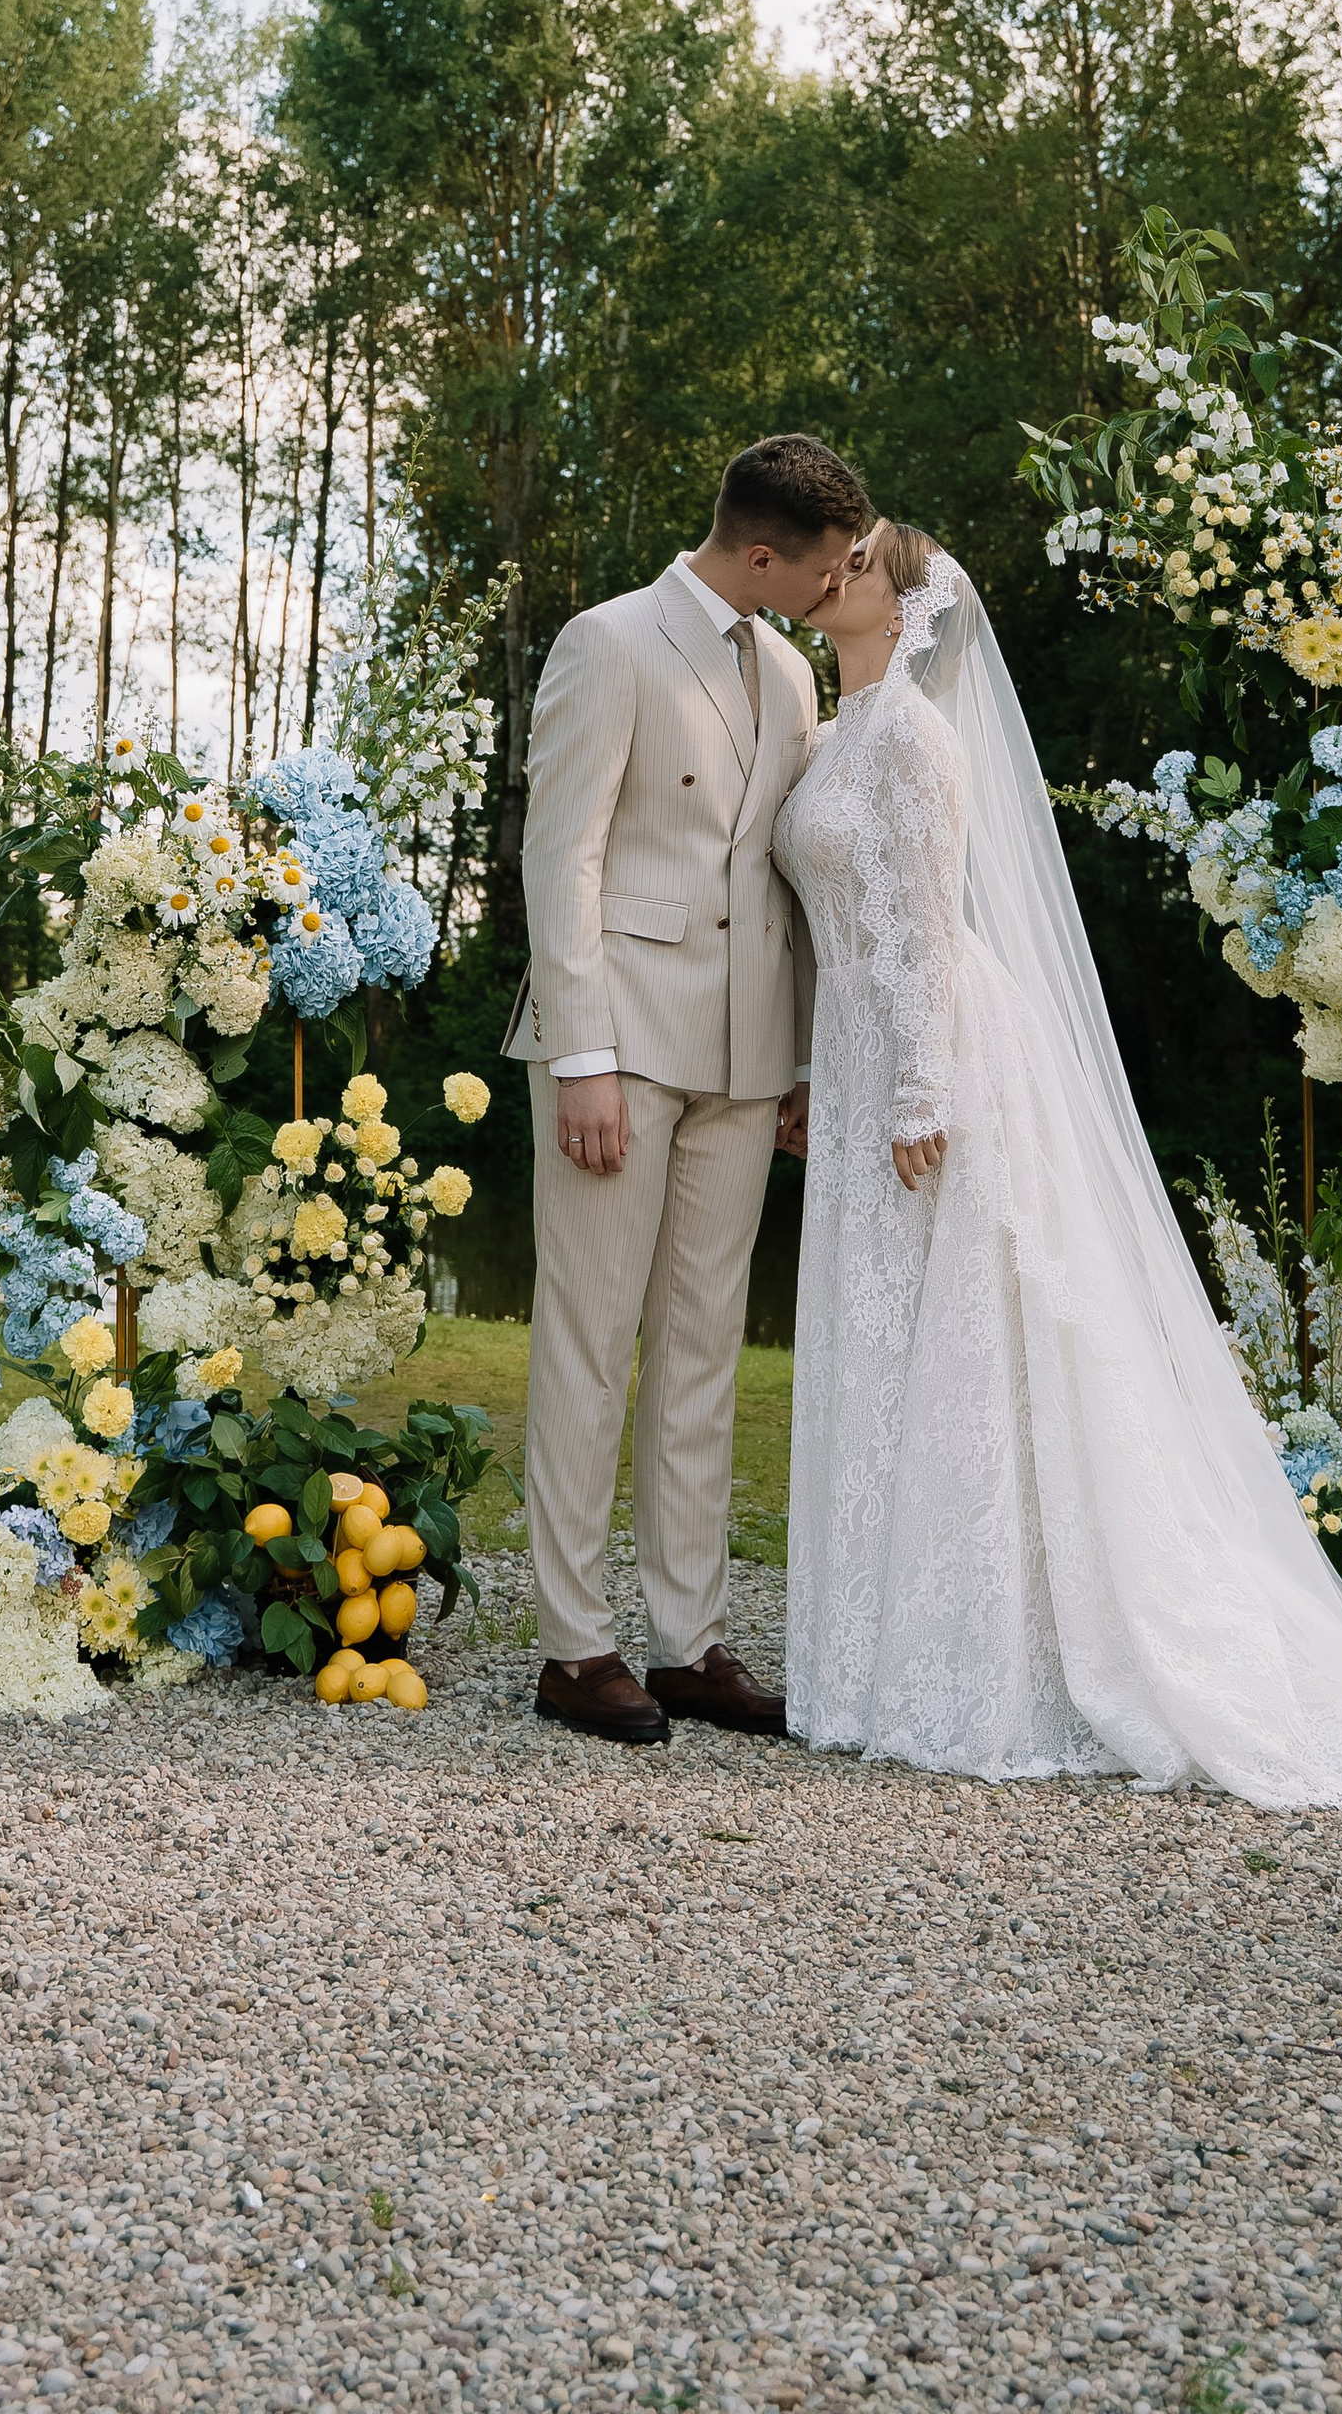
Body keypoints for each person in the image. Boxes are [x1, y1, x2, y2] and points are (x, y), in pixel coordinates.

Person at [772, 518, 1342, 1821]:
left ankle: (984, 1662)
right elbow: (840, 932)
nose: (833, 573)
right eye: (836, 557)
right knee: (885, 1331)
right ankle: (874, 1661)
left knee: (968, 1335)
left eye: (859, 563)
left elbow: (922, 923)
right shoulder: (835, 733)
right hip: (857, 1053)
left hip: (936, 1057)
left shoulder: (914, 737)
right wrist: (825, 1073)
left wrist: (920, 1087)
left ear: (906, 610)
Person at [505, 432, 867, 1745]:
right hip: (624, 1051)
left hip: (745, 1056)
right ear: (762, 553)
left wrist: (809, 1057)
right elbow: (566, 863)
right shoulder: (608, 644)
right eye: (822, 569)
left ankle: (687, 1639)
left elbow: (797, 878)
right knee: (590, 1341)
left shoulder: (786, 666)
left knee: (707, 1351)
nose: (835, 591)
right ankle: (572, 1645)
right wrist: (582, 1056)